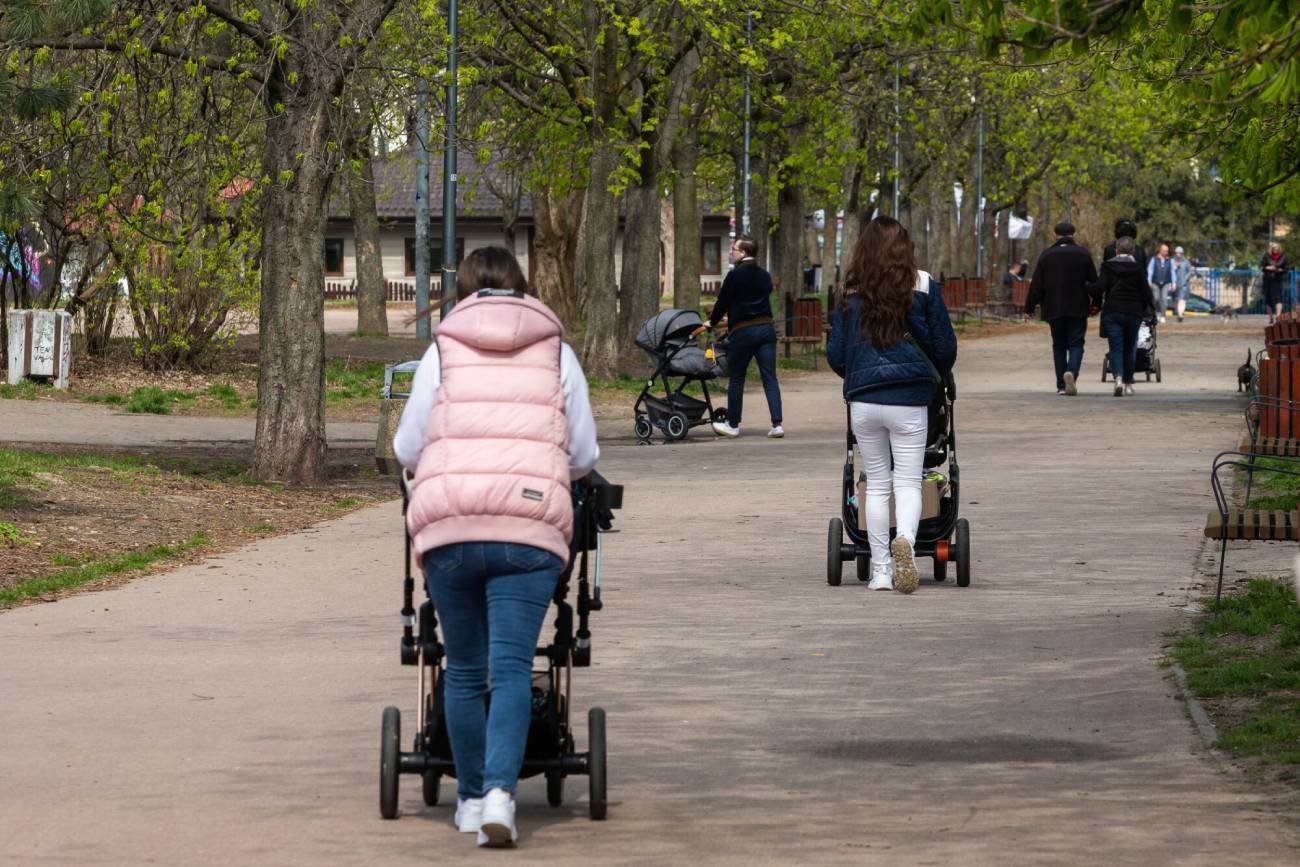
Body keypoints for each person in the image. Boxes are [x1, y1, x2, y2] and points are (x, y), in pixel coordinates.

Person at [393, 246, 599, 849]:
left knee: (462, 668)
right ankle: (501, 801)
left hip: (452, 527)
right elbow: (584, 453)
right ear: (525, 286)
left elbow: (407, 447)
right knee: (510, 667)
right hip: (528, 529)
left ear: (460, 291)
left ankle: (469, 798)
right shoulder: (557, 352)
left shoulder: (441, 351)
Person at [827, 217, 957, 594]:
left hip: (865, 400)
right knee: (908, 481)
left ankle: (881, 570)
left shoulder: (851, 290)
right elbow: (944, 347)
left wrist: (859, 375)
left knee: (877, 483)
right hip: (910, 399)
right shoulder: (924, 284)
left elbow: (836, 354)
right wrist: (932, 376)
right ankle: (907, 543)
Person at [708, 235, 784, 439]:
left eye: (734, 249)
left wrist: (712, 322)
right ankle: (777, 424)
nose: (732, 252)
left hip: (744, 331)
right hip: (766, 329)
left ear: (743, 253)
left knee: (737, 378)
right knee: (770, 378)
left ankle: (733, 425)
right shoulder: (765, 275)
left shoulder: (735, 275)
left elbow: (722, 302)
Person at [1024, 222, 1098, 396]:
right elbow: (1094, 282)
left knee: (1059, 345)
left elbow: (1037, 285)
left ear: (1055, 235)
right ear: (1074, 235)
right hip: (1078, 307)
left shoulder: (1046, 255)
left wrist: (1029, 308)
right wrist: (1096, 303)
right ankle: (1071, 372)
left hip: (1053, 307)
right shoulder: (1083, 254)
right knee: (1076, 343)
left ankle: (1061, 385)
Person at [1090, 236, 1154, 397]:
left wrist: (1085, 286)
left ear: (1116, 250)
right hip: (1133, 312)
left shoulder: (1108, 266)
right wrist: (1144, 309)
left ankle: (1118, 378)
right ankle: (1129, 383)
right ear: (1132, 251)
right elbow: (1146, 293)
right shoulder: (1138, 268)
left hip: (1113, 312)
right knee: (1130, 347)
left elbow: (1099, 287)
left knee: (1116, 348)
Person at [1262, 242, 1290, 324]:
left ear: (1279, 248)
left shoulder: (1283, 256)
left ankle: (1278, 318)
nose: (1275, 249)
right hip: (1268, 280)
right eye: (1274, 248)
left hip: (1277, 280)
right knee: (1268, 301)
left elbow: (1286, 269)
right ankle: (1270, 318)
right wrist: (1267, 268)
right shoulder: (1266, 256)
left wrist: (1279, 269)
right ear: (1271, 249)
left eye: (1277, 248)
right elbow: (1262, 267)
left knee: (1278, 299)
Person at [1146, 243, 1173, 324]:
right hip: (1155, 282)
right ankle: (1156, 313)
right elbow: (1150, 270)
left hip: (1166, 282)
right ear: (1160, 251)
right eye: (1164, 251)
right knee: (1156, 298)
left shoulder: (1170, 260)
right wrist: (1149, 281)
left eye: (1167, 251)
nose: (1166, 252)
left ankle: (1163, 315)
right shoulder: (1154, 259)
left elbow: (1173, 272)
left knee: (1164, 299)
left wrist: (1173, 283)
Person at [1171, 245, 1193, 322]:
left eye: (1180, 253)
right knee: (1175, 299)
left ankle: (1180, 314)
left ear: (1182, 253)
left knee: (1182, 299)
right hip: (1174, 284)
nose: (1178, 254)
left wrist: (1185, 279)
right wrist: (1175, 267)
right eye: (1177, 253)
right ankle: (1178, 313)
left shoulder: (1186, 262)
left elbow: (1190, 271)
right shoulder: (1172, 261)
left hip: (1184, 284)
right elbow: (1170, 271)